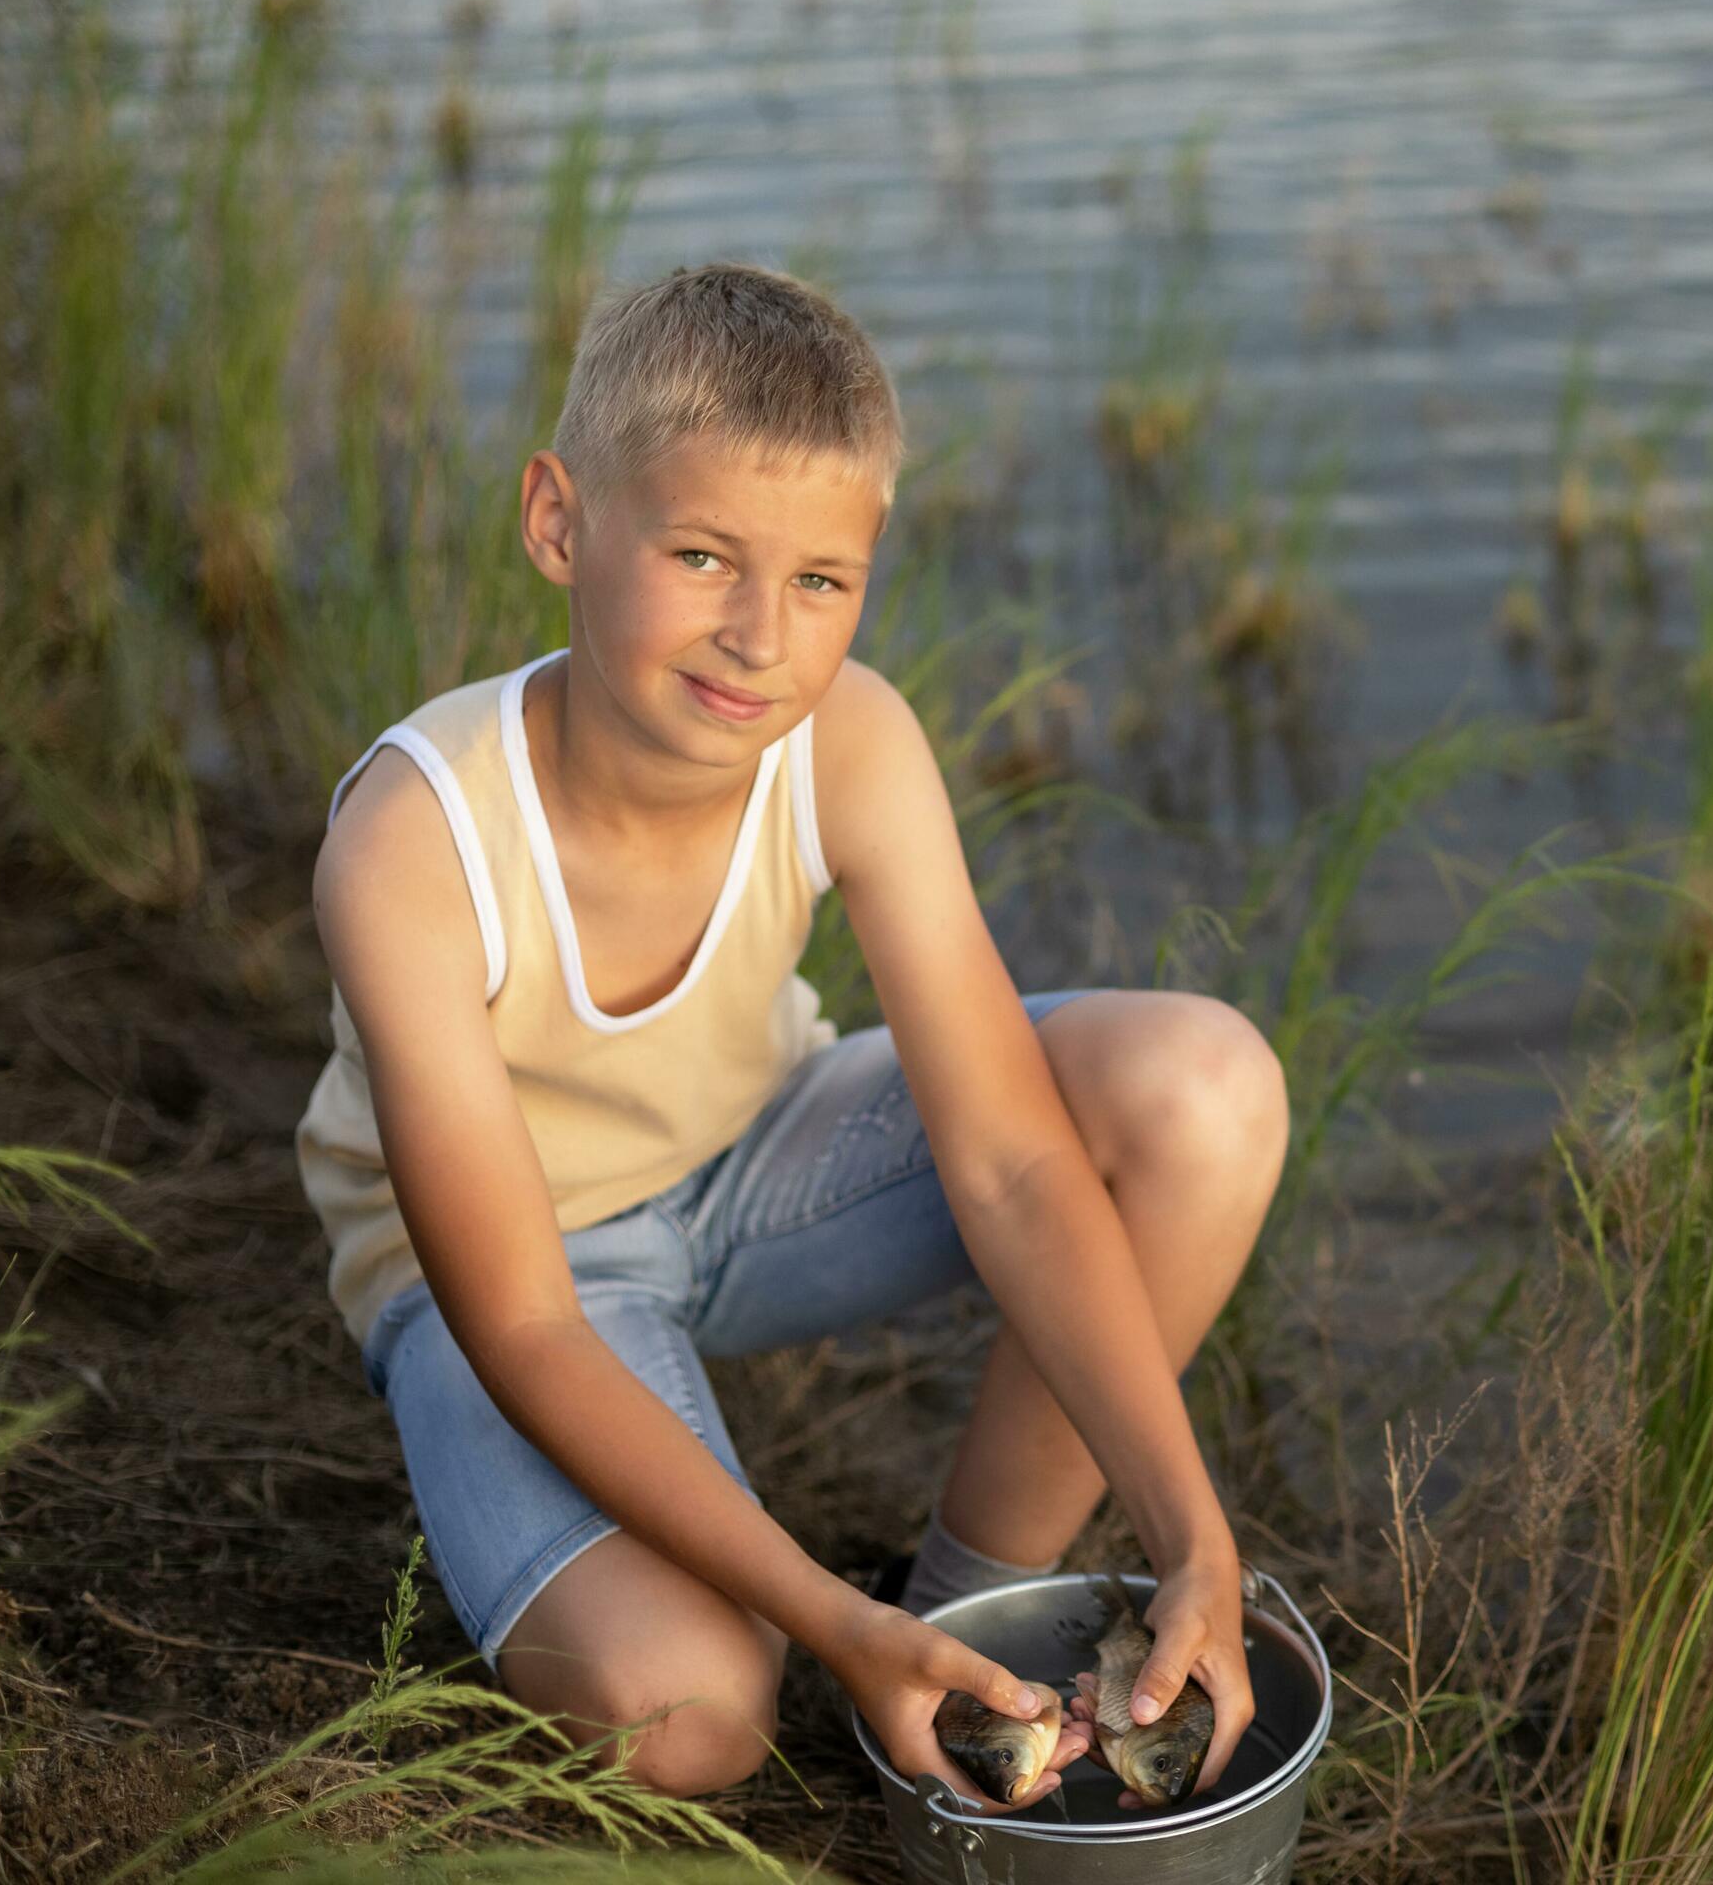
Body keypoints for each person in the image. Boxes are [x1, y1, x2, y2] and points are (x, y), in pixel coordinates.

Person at [293, 260, 1280, 1809]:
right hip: (510, 1278)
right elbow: (530, 1324)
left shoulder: (851, 742)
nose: (761, 638)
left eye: (821, 582)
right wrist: (830, 1625)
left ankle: (966, 1619)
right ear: (560, 521)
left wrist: (1192, 1537)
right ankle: (870, 1641)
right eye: (700, 556)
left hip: (762, 1162)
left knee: (1204, 1092)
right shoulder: (418, 844)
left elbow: (1015, 1164)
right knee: (690, 1717)